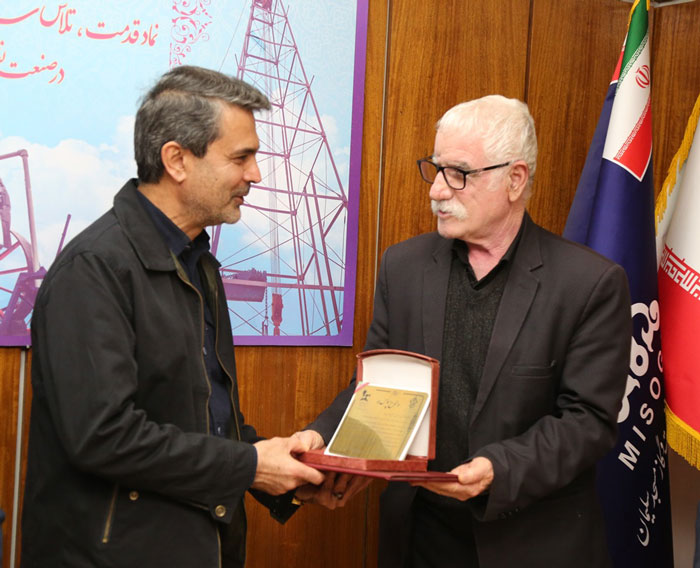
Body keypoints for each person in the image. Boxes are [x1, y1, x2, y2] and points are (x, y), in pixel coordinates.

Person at [299, 95, 631, 567]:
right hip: (421, 538)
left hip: (530, 542)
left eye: (458, 173)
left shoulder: (589, 283)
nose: (437, 190)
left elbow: (588, 421)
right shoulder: (403, 266)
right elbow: (376, 387)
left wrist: (499, 469)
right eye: (436, 169)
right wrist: (322, 438)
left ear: (515, 179)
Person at [21, 65, 324, 568]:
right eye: (241, 157)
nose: (255, 175)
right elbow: (103, 436)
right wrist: (250, 465)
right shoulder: (93, 269)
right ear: (177, 160)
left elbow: (201, 423)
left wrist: (285, 468)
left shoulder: (198, 262)